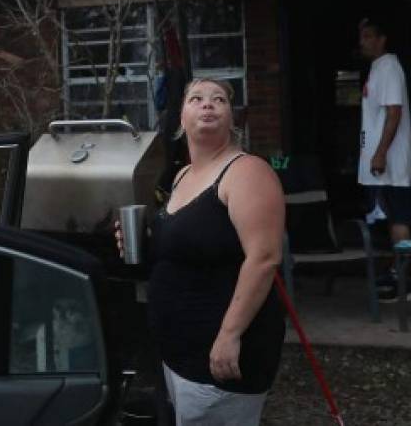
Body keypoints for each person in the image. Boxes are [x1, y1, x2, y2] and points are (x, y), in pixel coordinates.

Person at [117, 78, 286, 426]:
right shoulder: (181, 177)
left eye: (218, 99)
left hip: (221, 355)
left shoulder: (246, 172)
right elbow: (184, 251)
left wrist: (229, 335)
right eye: (196, 98)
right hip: (177, 352)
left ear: (231, 118)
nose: (207, 104)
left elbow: (264, 258)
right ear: (181, 118)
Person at [358, 17, 411, 302]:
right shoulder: (376, 68)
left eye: (369, 36)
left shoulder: (390, 66)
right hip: (376, 163)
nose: (363, 42)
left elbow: (394, 112)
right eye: (362, 37)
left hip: (390, 162)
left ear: (382, 39)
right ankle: (394, 272)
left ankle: (403, 279)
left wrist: (380, 153)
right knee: (386, 217)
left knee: (398, 217)